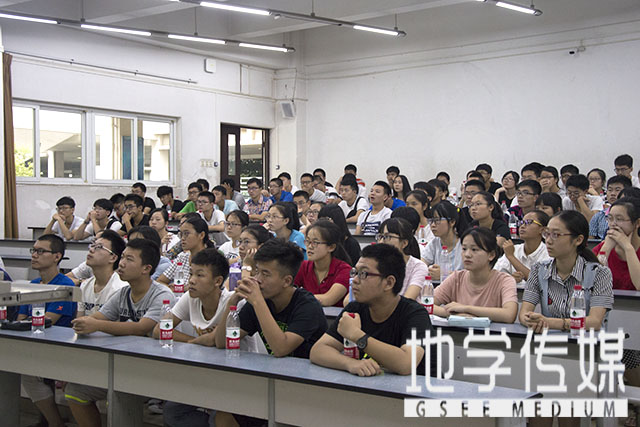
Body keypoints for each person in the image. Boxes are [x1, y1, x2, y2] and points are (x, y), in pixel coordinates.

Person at [66, 239, 175, 427]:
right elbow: (98, 317)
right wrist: (85, 322)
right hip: (124, 366)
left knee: (117, 397)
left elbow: (141, 328)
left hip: (154, 369)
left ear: (146, 268)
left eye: (129, 259)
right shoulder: (123, 293)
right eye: (122, 257)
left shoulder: (162, 295)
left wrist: (96, 325)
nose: (121, 263)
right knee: (74, 391)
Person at [310, 243, 433, 377]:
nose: (354, 280)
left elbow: (406, 363)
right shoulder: (355, 308)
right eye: (355, 272)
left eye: (363, 274)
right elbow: (318, 350)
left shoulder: (415, 314)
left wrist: (357, 335)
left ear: (389, 283)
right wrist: (350, 364)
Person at [214, 239, 327, 358]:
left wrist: (258, 302)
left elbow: (281, 349)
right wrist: (232, 303)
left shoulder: (308, 306)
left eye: (265, 274)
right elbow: (222, 342)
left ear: (287, 281)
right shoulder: (261, 299)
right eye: (257, 271)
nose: (257, 279)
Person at [519, 210, 612, 334]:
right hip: (549, 341)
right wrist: (530, 321)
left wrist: (550, 323)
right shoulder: (538, 270)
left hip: (587, 342)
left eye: (556, 235)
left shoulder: (600, 273)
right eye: (547, 234)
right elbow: (524, 313)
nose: (548, 241)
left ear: (578, 240)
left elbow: (595, 322)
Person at [18, 235, 76, 427]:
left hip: (59, 346)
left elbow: (49, 320)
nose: (34, 255)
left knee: (28, 372)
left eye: (41, 251)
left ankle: (55, 423)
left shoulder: (65, 285)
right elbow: (20, 319)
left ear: (57, 256)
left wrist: (23, 324)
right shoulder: (32, 285)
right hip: (33, 342)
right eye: (33, 250)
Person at [433, 227, 518, 323]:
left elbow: (509, 315)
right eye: (464, 249)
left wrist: (466, 308)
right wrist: (452, 313)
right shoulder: (457, 278)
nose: (467, 254)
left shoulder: (504, 281)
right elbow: (426, 304)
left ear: (491, 255)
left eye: (474, 249)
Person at [294, 220, 351, 306]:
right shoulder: (303, 266)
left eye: (315, 242)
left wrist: (297, 299)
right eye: (308, 241)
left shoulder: (344, 270)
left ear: (331, 247)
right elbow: (288, 291)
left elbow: (328, 299)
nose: (309, 246)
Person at [593, 197, 640, 291]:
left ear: (637, 223)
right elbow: (591, 284)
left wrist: (628, 248)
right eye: (610, 218)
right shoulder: (600, 249)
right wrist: (606, 248)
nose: (613, 224)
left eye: (619, 219)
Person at [376, 218, 429, 301]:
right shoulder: (375, 264)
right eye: (380, 237)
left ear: (404, 243)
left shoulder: (418, 267)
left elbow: (408, 300)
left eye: (387, 237)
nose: (381, 242)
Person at [494, 210, 551, 284]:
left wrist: (511, 257)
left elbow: (539, 282)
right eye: (521, 223)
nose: (522, 226)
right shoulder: (514, 249)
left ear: (542, 230)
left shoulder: (548, 252)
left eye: (529, 222)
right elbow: (494, 276)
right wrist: (510, 279)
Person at [157, 217, 215, 289]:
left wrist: (181, 289)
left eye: (186, 233)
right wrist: (176, 289)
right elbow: (160, 281)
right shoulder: (182, 257)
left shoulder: (211, 260)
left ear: (201, 235)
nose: (182, 238)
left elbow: (207, 288)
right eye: (181, 234)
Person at [422, 200, 468, 281]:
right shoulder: (435, 242)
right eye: (431, 221)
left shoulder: (464, 244)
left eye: (437, 220)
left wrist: (444, 274)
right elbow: (422, 264)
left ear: (452, 222)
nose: (433, 225)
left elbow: (471, 275)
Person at [589, 175, 632, 240]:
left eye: (617, 190)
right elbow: (591, 242)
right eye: (610, 190)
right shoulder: (599, 215)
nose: (612, 194)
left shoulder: (632, 216)